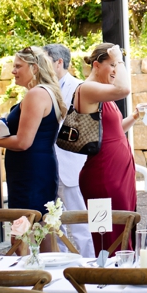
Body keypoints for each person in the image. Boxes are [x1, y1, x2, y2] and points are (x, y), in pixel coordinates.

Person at [75, 43, 141, 252]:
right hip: (104, 175)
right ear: (96, 65)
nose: (115, 70)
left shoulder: (102, 93)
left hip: (119, 173)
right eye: (111, 65)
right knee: (108, 237)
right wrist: (120, 59)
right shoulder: (87, 89)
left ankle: (124, 276)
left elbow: (111, 133)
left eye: (117, 65)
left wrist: (133, 117)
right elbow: (124, 89)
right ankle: (109, 279)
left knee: (124, 229)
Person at [0, 46, 65, 217]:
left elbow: (23, 142)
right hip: (36, 168)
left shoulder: (36, 94)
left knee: (23, 229)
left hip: (30, 172)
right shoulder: (46, 92)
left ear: (34, 68)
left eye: (18, 66)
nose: (13, 71)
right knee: (41, 228)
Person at [43, 43, 93, 257]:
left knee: (80, 223)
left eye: (44, 62)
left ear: (59, 63)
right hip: (47, 167)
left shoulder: (78, 88)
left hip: (71, 164)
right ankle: (60, 264)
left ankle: (91, 267)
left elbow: (83, 128)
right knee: (54, 225)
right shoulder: (42, 88)